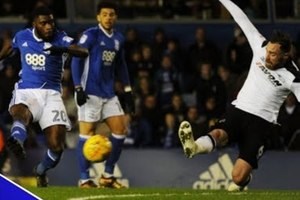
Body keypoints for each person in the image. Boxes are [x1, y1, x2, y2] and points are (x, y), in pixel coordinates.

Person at [178, 0, 300, 192]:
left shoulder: (293, 77)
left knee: (237, 177)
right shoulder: (260, 45)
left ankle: (244, 180)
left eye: (273, 55)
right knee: (218, 134)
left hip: (262, 124)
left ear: (285, 55)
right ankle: (193, 147)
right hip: (239, 109)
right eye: (268, 51)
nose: (267, 56)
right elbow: (241, 18)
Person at [0, 6, 88, 187]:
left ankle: (40, 170)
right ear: (35, 25)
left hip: (52, 96)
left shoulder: (60, 37)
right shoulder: (23, 36)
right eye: (44, 23)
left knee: (57, 146)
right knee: (19, 112)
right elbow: (8, 48)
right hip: (27, 90)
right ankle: (17, 140)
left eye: (51, 22)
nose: (49, 26)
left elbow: (83, 51)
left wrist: (60, 49)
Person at [71, 1, 135, 189]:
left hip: (109, 93)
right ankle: (84, 179)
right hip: (88, 92)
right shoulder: (90, 35)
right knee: (86, 135)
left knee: (120, 130)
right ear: (98, 17)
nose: (108, 17)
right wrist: (77, 88)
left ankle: (107, 176)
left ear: (115, 17)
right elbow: (76, 60)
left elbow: (121, 65)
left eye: (111, 14)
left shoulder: (119, 38)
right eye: (105, 14)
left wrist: (128, 90)